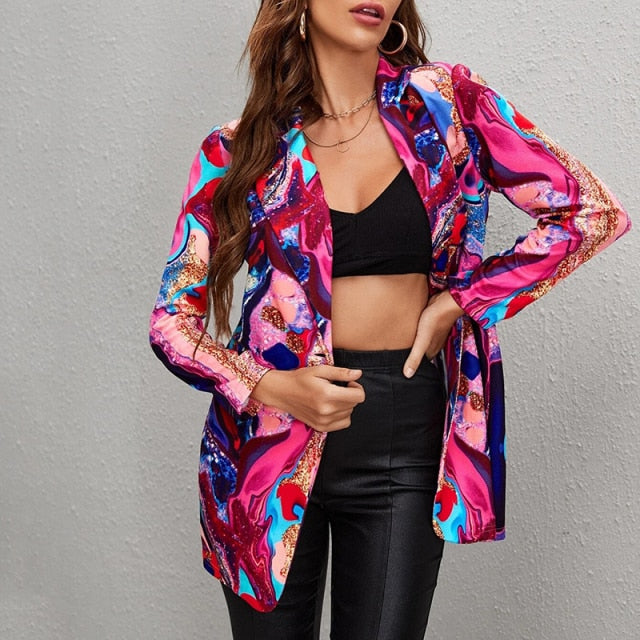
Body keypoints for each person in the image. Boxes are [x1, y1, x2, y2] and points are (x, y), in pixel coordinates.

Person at [149, 1, 631, 638]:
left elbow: (591, 213)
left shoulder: (446, 107)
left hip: (402, 432)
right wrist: (269, 387)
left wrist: (463, 300)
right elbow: (171, 322)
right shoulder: (240, 148)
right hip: (265, 443)